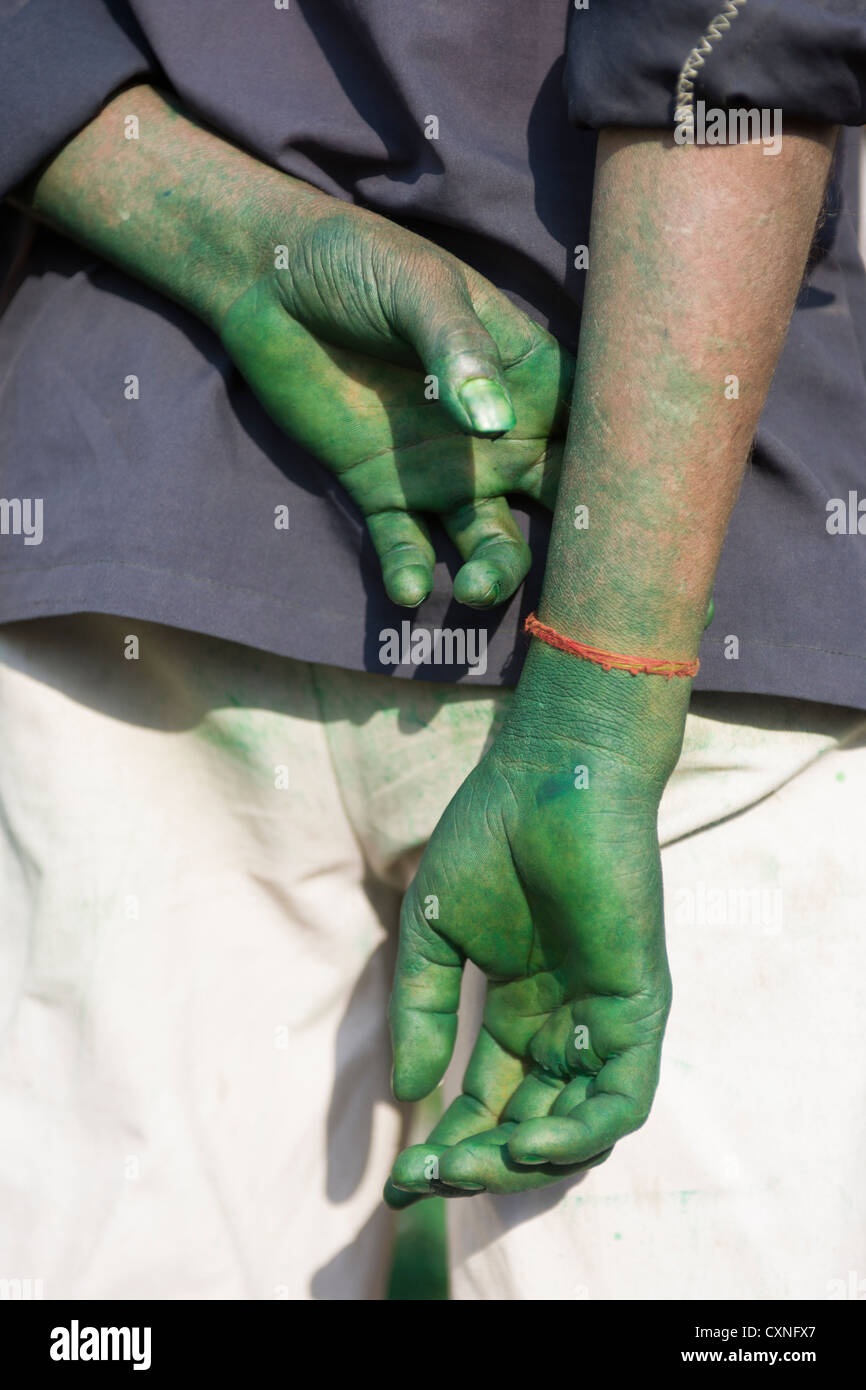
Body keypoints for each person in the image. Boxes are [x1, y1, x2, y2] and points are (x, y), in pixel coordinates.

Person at [0, 0, 865, 1301]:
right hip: (705, 560)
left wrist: (240, 242)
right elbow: (731, 38)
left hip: (134, 511)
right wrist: (600, 699)